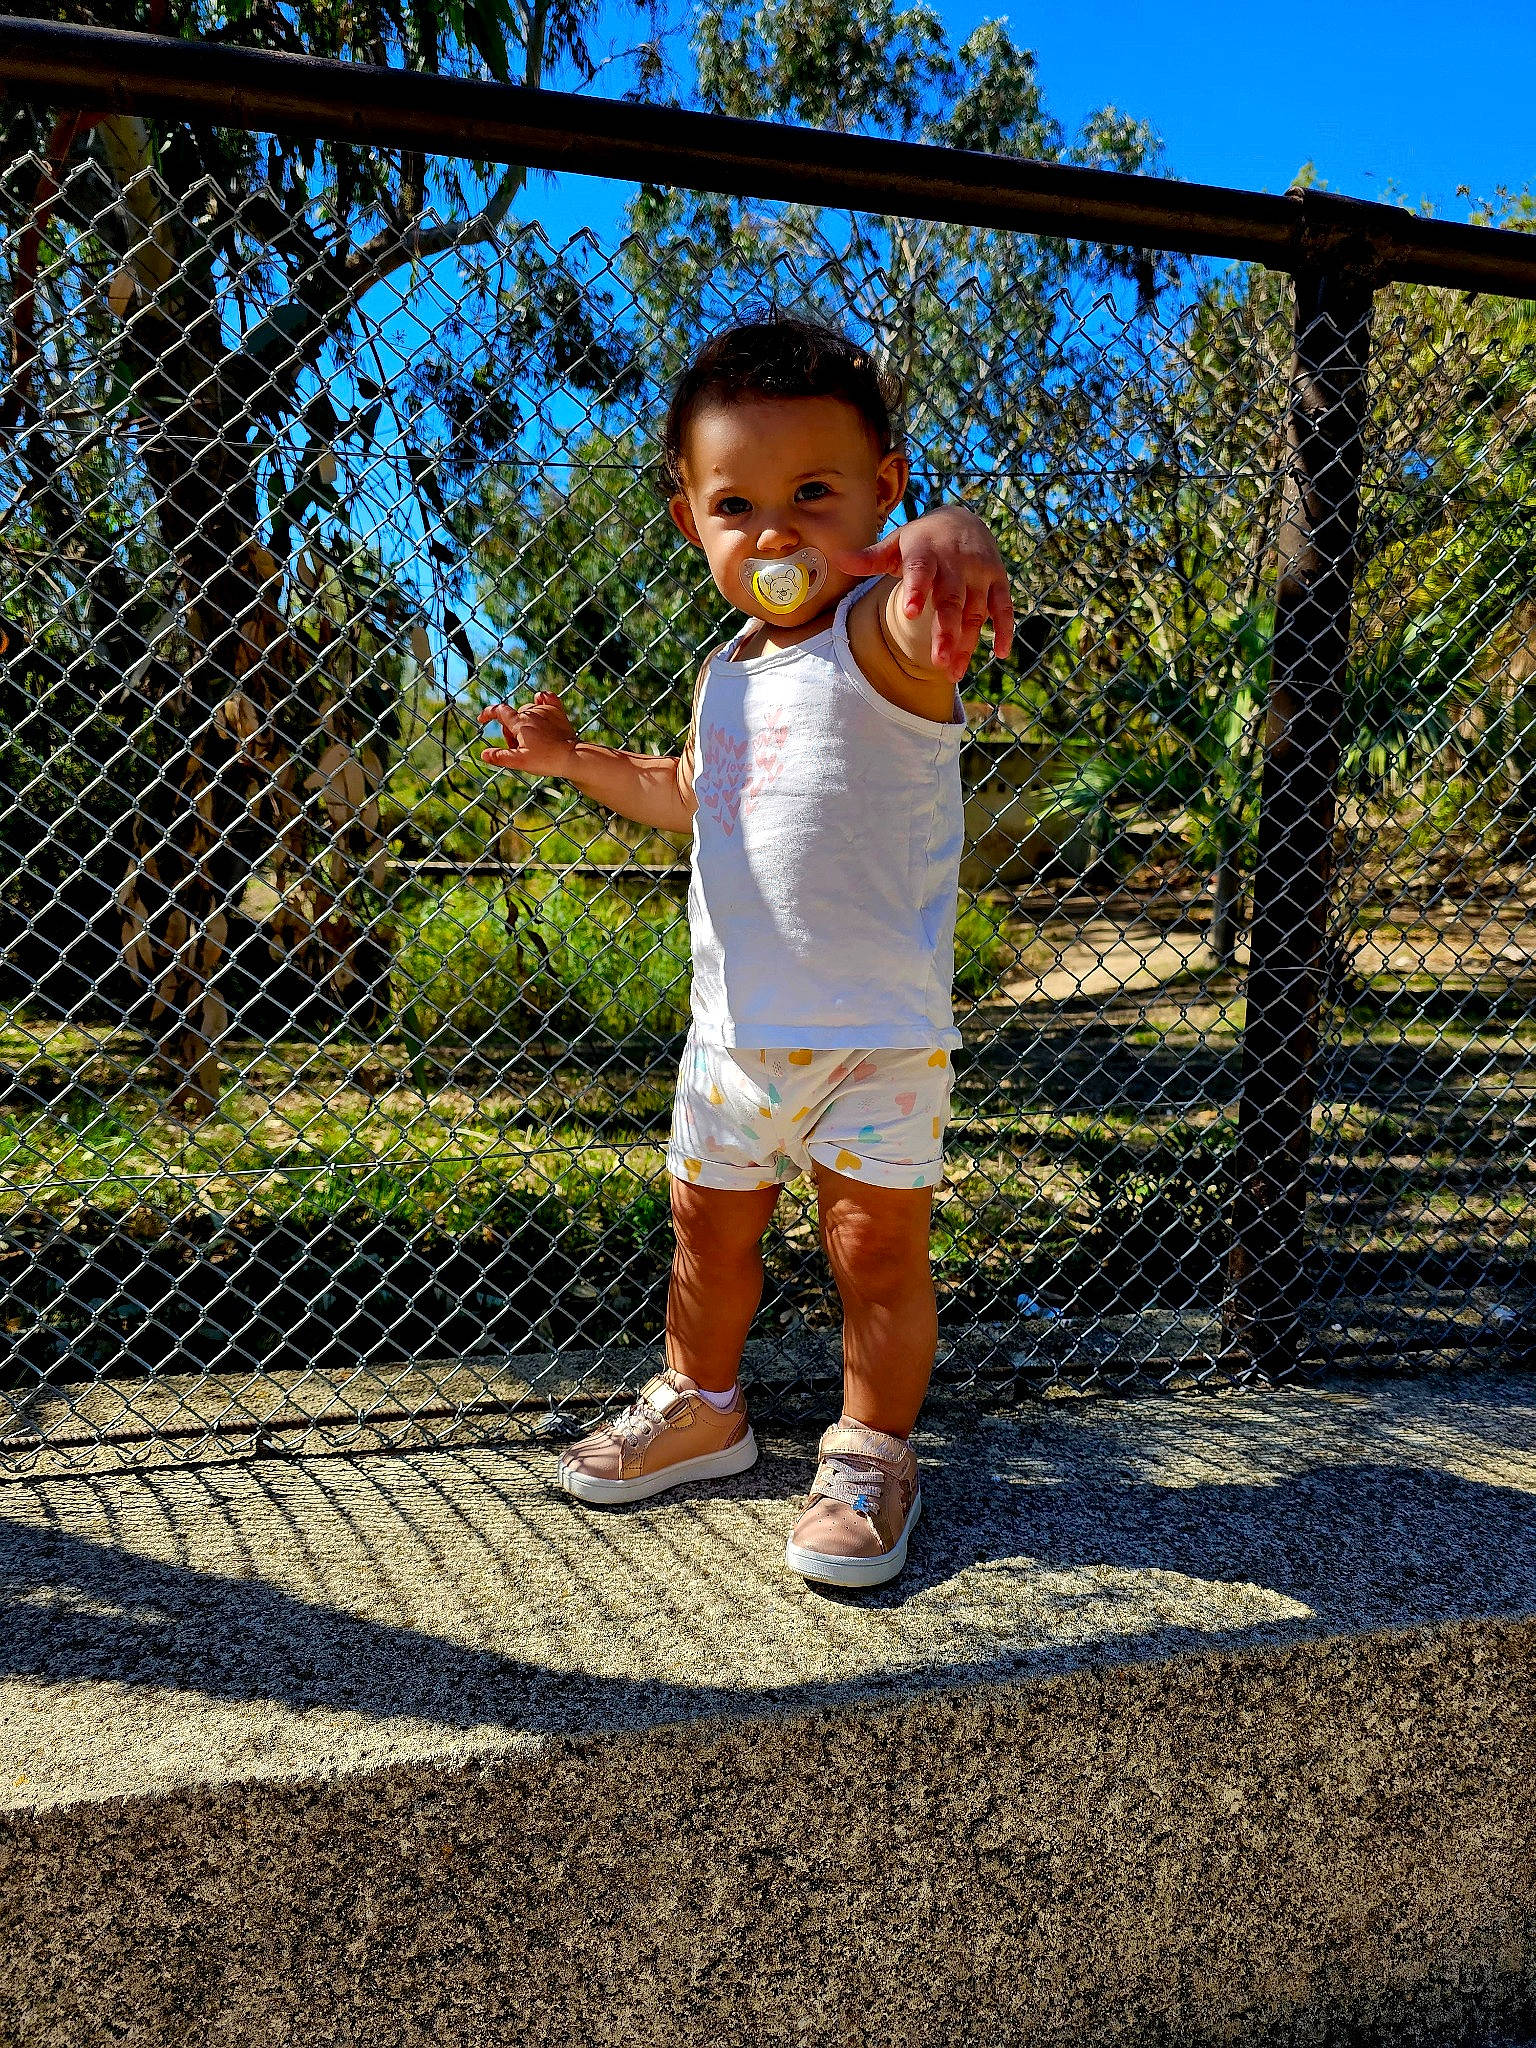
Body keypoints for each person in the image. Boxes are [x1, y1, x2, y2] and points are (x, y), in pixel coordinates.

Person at [479, 316, 1013, 1587]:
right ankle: (702, 1404)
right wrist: (569, 762)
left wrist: (955, 541)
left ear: (886, 491)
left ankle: (874, 1448)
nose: (777, 534)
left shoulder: (886, 635)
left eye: (815, 495)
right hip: (730, 1039)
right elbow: (681, 788)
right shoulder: (726, 668)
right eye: (739, 504)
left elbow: (934, 606)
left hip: (874, 1045)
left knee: (873, 1251)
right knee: (704, 1238)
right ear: (691, 523)